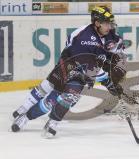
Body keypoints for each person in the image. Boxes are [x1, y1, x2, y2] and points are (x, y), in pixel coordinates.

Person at [11, 6, 126, 137]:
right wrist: (107, 81)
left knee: (69, 97)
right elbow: (87, 65)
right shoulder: (85, 37)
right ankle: (25, 116)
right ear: (97, 23)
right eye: (106, 23)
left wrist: (116, 63)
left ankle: (52, 122)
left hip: (85, 71)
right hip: (68, 66)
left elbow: (116, 49)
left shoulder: (108, 33)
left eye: (110, 23)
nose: (109, 27)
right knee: (49, 94)